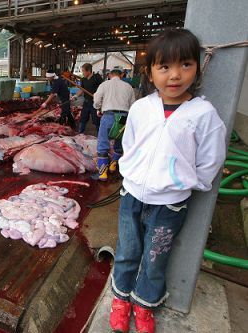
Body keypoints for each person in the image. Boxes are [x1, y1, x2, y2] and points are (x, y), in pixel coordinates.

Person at [109, 29, 226, 333]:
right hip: (132, 195)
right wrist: (129, 171)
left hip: (170, 205)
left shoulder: (202, 113)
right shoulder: (141, 108)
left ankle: (145, 305)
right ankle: (121, 300)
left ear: (197, 68)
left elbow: (211, 159)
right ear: (149, 72)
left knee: (155, 258)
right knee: (127, 251)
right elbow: (129, 145)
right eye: (164, 67)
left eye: (185, 65)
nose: (175, 75)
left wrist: (184, 181)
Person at [93, 67, 135, 181]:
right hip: (122, 117)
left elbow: (96, 99)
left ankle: (103, 173)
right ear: (122, 75)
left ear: (110, 75)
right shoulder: (128, 87)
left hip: (108, 115)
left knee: (103, 141)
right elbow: (133, 105)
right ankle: (113, 165)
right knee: (119, 140)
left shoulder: (104, 84)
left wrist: (98, 108)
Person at [72, 63, 103, 133]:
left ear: (88, 71)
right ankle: (80, 134)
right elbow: (81, 89)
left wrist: (98, 95)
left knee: (96, 120)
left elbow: (102, 88)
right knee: (83, 119)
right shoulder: (83, 79)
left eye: (83, 71)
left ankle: (100, 135)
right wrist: (76, 96)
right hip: (86, 102)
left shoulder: (97, 77)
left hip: (95, 103)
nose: (82, 73)